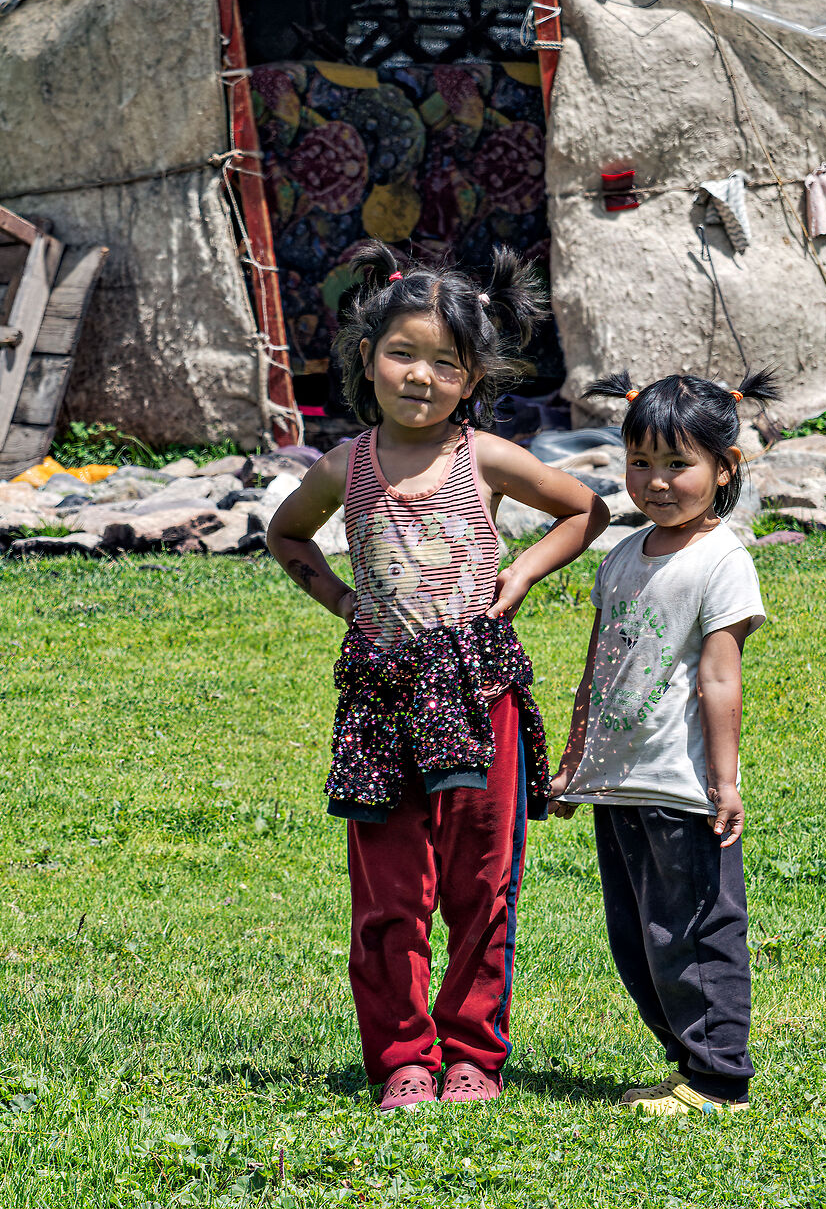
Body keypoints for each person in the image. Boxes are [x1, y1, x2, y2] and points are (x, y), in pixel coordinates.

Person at [267, 242, 607, 1109]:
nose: (420, 376)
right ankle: (403, 1058)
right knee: (389, 893)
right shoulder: (346, 468)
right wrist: (344, 604)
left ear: (470, 379)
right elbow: (287, 535)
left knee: (481, 880)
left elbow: (585, 510)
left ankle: (471, 1056)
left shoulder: (485, 459)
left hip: (474, 690)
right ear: (367, 359)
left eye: (445, 363)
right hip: (381, 700)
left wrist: (523, 574)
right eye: (402, 354)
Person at [546, 367, 781, 1117]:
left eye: (678, 464)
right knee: (640, 939)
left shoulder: (722, 561)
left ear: (724, 468)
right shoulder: (622, 556)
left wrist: (725, 780)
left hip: (681, 785)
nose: (656, 481)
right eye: (640, 461)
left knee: (696, 932)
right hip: (621, 782)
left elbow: (720, 681)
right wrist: (573, 765)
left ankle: (718, 1079)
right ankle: (686, 1064)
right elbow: (596, 669)